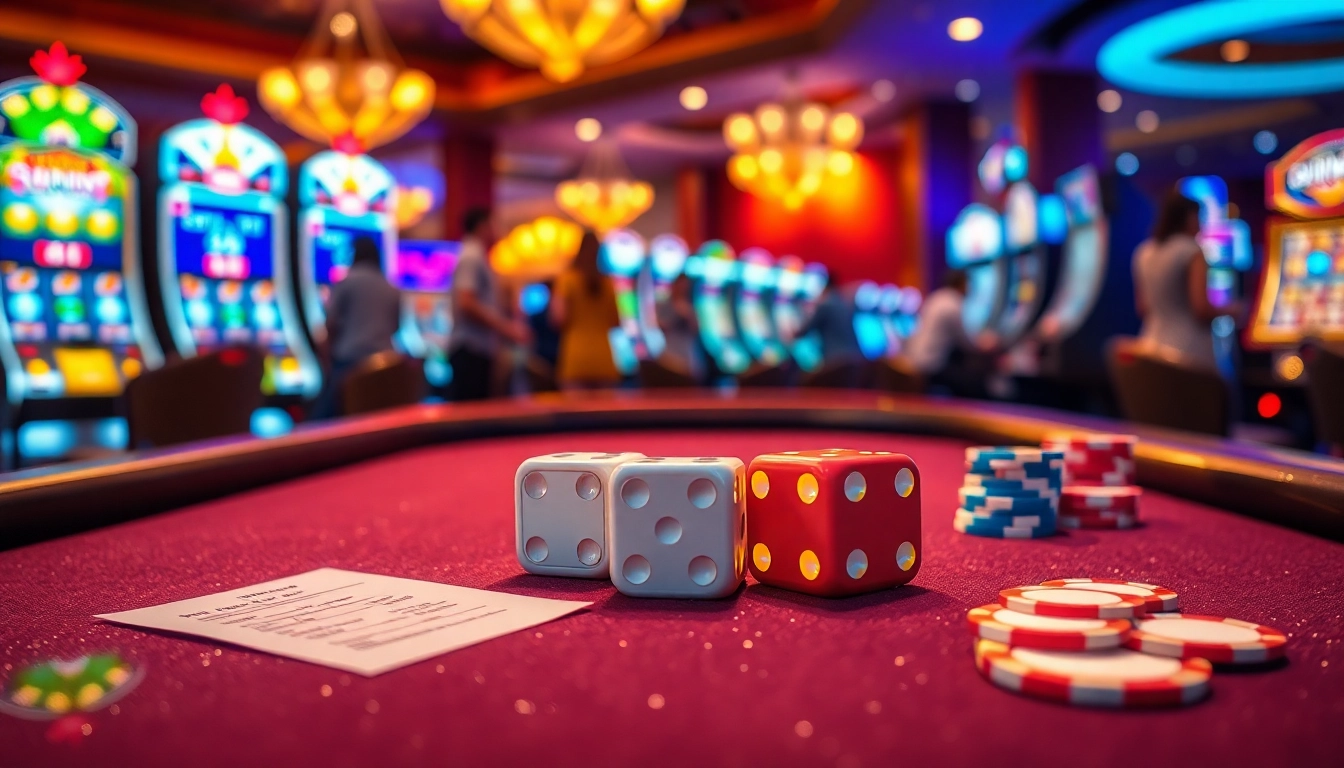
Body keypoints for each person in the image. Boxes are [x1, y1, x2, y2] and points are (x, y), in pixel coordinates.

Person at [1132, 190, 1240, 371]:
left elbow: (1143, 307)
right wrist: (1233, 309)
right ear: (1188, 217)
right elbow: (1201, 309)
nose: (1201, 224)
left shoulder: (1144, 252)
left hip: (1150, 345)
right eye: (1199, 217)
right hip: (1189, 352)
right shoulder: (1192, 251)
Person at [313, 236, 401, 418]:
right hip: (386, 366)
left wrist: (324, 360)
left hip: (351, 364)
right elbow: (396, 328)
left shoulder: (348, 282)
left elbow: (331, 326)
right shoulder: (391, 287)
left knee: (321, 420)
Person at [448, 207, 530, 401]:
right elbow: (466, 302)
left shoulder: (474, 255)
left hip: (473, 350)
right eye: (493, 224)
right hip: (470, 349)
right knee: (469, 419)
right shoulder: (472, 257)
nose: (496, 230)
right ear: (482, 226)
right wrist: (506, 328)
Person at [549, 230, 622, 389]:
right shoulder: (608, 283)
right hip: (604, 358)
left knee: (576, 413)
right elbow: (616, 322)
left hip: (576, 358)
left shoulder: (567, 280)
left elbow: (559, 318)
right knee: (604, 414)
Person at [901, 269, 970, 376]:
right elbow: (964, 342)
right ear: (961, 284)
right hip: (931, 364)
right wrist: (983, 344)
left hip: (914, 356)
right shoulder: (953, 302)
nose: (970, 288)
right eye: (968, 284)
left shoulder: (935, 297)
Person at [655, 273, 705, 382]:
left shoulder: (690, 304)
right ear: (674, 285)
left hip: (688, 357)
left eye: (685, 285)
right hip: (670, 357)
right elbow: (660, 325)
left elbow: (697, 328)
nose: (683, 288)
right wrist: (676, 314)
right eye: (681, 284)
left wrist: (688, 315)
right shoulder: (664, 304)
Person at [798, 283, 863, 365]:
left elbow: (805, 330)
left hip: (835, 359)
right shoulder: (843, 304)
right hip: (853, 357)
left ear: (825, 289)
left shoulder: (825, 305)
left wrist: (792, 334)